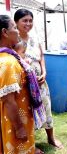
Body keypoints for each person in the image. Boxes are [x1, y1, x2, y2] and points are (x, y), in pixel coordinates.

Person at [14, 9, 63, 149]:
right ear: (16, 22)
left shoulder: (35, 38)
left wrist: (44, 71)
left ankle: (51, 138)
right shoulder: (13, 41)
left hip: (40, 83)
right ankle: (31, 144)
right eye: (24, 20)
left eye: (30, 20)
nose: (28, 23)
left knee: (46, 108)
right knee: (27, 113)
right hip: (24, 85)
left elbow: (41, 56)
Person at [0, 15, 36, 153]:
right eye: (14, 27)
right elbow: (8, 100)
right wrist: (20, 128)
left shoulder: (8, 57)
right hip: (15, 121)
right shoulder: (8, 63)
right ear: (5, 32)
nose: (17, 31)